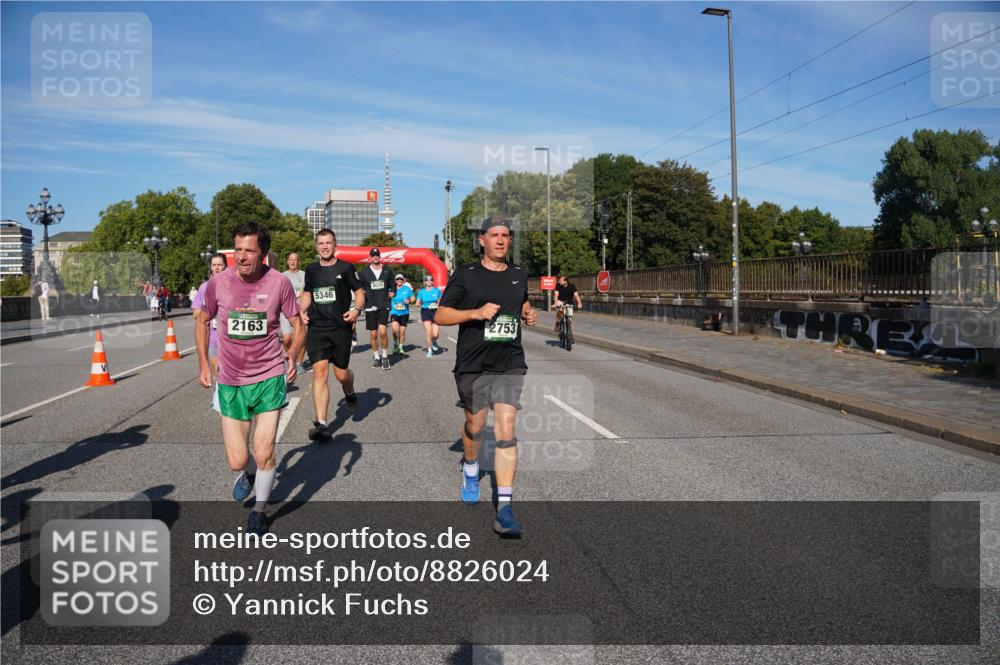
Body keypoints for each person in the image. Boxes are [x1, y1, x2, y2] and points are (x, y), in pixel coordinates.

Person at [195, 222, 304, 536]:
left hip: (269, 375)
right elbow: (202, 321)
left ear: (263, 253)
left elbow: (298, 324)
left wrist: (293, 355)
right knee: (238, 460)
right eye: (237, 250)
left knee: (264, 450)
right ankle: (249, 473)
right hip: (231, 380)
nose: (241, 257)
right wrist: (203, 364)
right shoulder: (218, 283)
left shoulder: (279, 282)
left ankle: (259, 511)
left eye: (249, 251)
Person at [435, 216, 537, 538]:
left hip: (509, 362)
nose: (501, 240)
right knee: (475, 426)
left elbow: (521, 301)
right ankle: (470, 467)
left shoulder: (519, 274)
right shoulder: (466, 274)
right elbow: (441, 314)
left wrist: (527, 312)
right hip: (473, 364)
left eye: (506, 235)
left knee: (506, 429)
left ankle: (505, 508)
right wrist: (475, 313)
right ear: (482, 240)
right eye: (494, 235)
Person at [299, 230, 365, 440]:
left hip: (340, 327)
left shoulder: (345, 268)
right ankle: (322, 424)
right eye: (321, 243)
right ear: (316, 246)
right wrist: (302, 310)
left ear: (335, 245)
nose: (325, 246)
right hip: (317, 327)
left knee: (341, 374)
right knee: (319, 373)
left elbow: (360, 292)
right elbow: (307, 293)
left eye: (328, 243)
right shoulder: (311, 270)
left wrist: (356, 310)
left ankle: (349, 390)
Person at [191, 253, 229, 408]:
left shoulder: (233, 285)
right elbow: (195, 314)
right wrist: (209, 310)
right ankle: (222, 401)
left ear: (226, 267)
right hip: (213, 337)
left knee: (230, 372)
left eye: (220, 265)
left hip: (231, 337)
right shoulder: (204, 287)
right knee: (218, 371)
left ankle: (228, 401)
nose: (217, 268)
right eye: (214, 265)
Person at [357, 248, 395, 370]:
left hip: (384, 304)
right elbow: (359, 287)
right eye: (373, 255)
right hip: (370, 306)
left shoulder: (387, 271)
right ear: (370, 257)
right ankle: (376, 357)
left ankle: (385, 357)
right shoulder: (364, 273)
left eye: (377, 255)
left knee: (383, 332)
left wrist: (393, 292)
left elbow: (393, 285)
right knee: (373, 334)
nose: (375, 257)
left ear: (379, 257)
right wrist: (362, 293)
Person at [281, 252, 309, 373]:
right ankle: (291, 359)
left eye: (295, 260)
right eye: (291, 260)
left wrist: (303, 309)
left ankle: (299, 363)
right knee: (287, 339)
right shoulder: (282, 276)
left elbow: (307, 293)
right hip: (285, 311)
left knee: (301, 338)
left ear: (299, 262)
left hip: (301, 310)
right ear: (288, 262)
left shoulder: (305, 275)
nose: (293, 262)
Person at [416, 275, 442, 358]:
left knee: (436, 334)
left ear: (433, 282)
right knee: (428, 332)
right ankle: (429, 350)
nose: (429, 281)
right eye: (427, 280)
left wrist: (439, 303)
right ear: (425, 282)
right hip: (425, 311)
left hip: (435, 312)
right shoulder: (421, 291)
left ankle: (434, 341)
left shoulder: (437, 290)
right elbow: (418, 301)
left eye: (430, 280)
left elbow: (441, 300)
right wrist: (418, 304)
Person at [389, 274, 415, 355]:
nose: (399, 280)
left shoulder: (407, 289)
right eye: (397, 279)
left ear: (403, 280)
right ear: (395, 281)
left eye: (401, 279)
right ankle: (395, 343)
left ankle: (400, 347)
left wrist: (409, 301)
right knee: (395, 330)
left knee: (402, 332)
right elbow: (385, 297)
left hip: (404, 313)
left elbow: (413, 298)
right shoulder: (391, 289)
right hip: (394, 312)